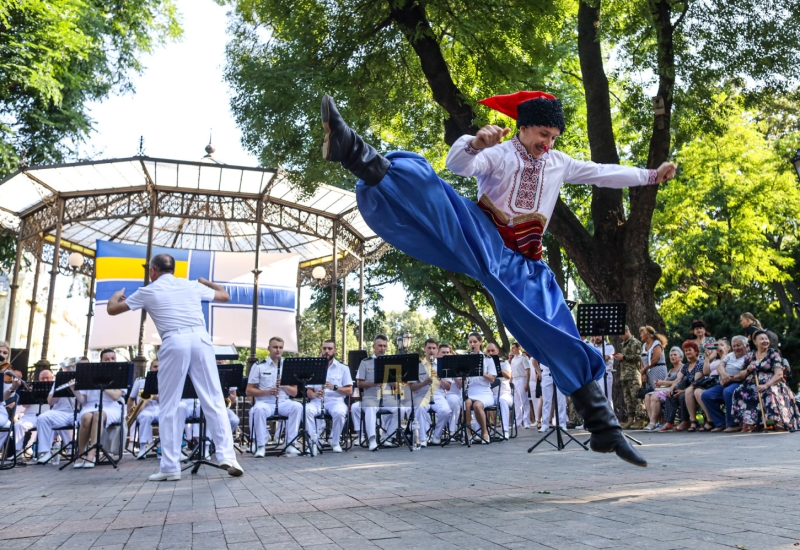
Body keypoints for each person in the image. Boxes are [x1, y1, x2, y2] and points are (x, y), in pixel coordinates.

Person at [320, 92, 676, 465]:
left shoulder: (558, 163)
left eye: (553, 136)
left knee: (561, 333)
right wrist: (475, 144)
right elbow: (457, 165)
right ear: (522, 128)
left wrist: (651, 175)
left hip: (527, 268)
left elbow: (603, 173)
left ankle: (605, 430)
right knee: (436, 194)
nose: (547, 143)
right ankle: (353, 150)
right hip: (485, 238)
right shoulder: (501, 154)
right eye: (542, 133)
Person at [107, 253, 243, 480]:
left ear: (152, 271)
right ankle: (227, 456)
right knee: (215, 399)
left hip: (174, 341)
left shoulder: (147, 291)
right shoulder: (190, 286)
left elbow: (112, 309)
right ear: (173, 269)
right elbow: (224, 295)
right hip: (201, 340)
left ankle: (170, 468)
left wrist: (117, 295)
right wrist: (205, 282)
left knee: (169, 404)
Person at [731, 330, 800, 432]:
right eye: (762, 339)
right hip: (752, 383)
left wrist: (766, 385)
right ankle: (750, 422)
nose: (765, 341)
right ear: (755, 342)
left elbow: (779, 374)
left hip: (772, 383)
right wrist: (748, 369)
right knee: (740, 391)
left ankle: (779, 421)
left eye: (766, 339)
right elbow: (741, 374)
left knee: (768, 392)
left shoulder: (773, 353)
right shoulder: (750, 355)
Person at [247, 336, 303, 457]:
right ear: (269, 348)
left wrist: (284, 385)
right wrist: (267, 392)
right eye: (275, 347)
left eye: (280, 347)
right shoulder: (259, 366)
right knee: (258, 409)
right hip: (265, 402)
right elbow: (249, 390)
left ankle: (290, 444)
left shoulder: (289, 366)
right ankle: (261, 446)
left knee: (297, 406)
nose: (278, 350)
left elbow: (294, 392)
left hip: (283, 402)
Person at [351, 335, 406, 451]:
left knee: (402, 409)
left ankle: (388, 437)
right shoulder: (365, 362)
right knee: (370, 408)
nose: (382, 348)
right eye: (380, 346)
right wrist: (372, 384)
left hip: (387, 397)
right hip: (370, 397)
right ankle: (372, 439)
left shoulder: (391, 362)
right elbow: (359, 383)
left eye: (384, 346)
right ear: (373, 346)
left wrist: (391, 380)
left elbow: (398, 386)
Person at [70, 349, 124, 468]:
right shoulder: (90, 374)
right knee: (86, 417)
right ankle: (80, 454)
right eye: (107, 359)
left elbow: (115, 396)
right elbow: (83, 401)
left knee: (98, 415)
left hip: (111, 407)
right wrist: (74, 390)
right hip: (90, 406)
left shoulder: (121, 375)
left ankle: (91, 454)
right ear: (101, 361)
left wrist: (101, 386)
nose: (110, 361)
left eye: (113, 358)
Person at [305, 340, 353, 454]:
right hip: (317, 401)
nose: (327, 351)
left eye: (329, 349)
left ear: (334, 350)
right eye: (324, 348)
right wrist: (314, 395)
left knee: (340, 412)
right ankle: (313, 442)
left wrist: (335, 387)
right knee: (307, 410)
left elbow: (349, 391)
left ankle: (334, 441)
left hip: (335, 401)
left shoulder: (343, 368)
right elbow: (309, 392)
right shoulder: (314, 368)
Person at [35, 359, 83, 463]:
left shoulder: (84, 379)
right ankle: (46, 451)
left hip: (79, 411)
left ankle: (83, 451)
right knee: (42, 418)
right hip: (60, 412)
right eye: (69, 368)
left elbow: (84, 401)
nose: (70, 370)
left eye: (73, 367)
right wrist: (59, 388)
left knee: (88, 419)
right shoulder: (59, 380)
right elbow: (50, 402)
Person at [700, 336, 749, 432]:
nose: (736, 348)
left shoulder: (749, 357)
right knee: (706, 395)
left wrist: (729, 378)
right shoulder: (730, 355)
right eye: (734, 346)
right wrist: (724, 375)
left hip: (739, 383)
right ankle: (721, 422)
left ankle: (733, 424)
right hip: (725, 381)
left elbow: (744, 375)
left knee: (728, 392)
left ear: (746, 346)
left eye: (738, 345)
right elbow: (720, 366)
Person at [408, 338, 451, 446]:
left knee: (446, 411)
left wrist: (438, 377)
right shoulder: (417, 366)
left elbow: (448, 387)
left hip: (438, 395)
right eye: (429, 348)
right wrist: (423, 383)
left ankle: (436, 436)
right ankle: (422, 439)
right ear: (424, 349)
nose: (431, 351)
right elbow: (412, 387)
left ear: (437, 350)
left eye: (434, 348)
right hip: (422, 394)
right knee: (420, 408)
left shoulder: (443, 365)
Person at [659, 341, 704, 432]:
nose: (687, 352)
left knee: (682, 396)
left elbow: (696, 382)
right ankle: (668, 422)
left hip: (696, 389)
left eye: (689, 350)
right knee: (671, 394)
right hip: (687, 389)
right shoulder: (686, 366)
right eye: (686, 350)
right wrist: (672, 387)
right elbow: (678, 378)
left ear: (696, 351)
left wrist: (682, 391)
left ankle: (685, 421)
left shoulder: (699, 363)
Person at [460, 333, 497, 444]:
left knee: (477, 405)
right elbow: (461, 377)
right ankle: (468, 433)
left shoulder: (488, 359)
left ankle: (484, 433)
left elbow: (492, 379)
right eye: (470, 342)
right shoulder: (465, 359)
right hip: (470, 390)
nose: (472, 344)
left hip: (484, 392)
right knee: (466, 404)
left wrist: (481, 373)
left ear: (480, 342)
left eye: (475, 342)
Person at [643, 347, 684, 431]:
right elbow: (663, 383)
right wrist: (659, 384)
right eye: (671, 355)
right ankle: (652, 422)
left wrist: (663, 383)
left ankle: (653, 423)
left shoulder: (682, 368)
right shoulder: (670, 370)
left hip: (674, 390)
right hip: (665, 390)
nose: (672, 357)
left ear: (681, 357)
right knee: (647, 396)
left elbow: (680, 382)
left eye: (675, 355)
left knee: (654, 396)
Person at [132, 359, 165, 459]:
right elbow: (131, 398)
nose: (157, 369)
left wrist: (154, 397)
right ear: (150, 368)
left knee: (166, 417)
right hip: (145, 409)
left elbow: (170, 399)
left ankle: (162, 448)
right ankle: (142, 447)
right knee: (145, 416)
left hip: (161, 408)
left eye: (159, 367)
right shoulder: (140, 381)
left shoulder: (166, 382)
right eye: (155, 367)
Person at [613, 327, 643, 430]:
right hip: (624, 374)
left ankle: (640, 419)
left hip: (633, 374)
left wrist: (624, 357)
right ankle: (631, 418)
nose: (620, 337)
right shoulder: (624, 344)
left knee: (636, 397)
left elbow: (639, 357)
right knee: (628, 398)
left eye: (621, 334)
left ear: (626, 331)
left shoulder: (635, 342)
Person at [486, 342, 513, 439]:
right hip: (490, 395)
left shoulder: (504, 362)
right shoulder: (485, 363)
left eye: (493, 350)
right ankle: (481, 432)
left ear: (497, 351)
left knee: (502, 400)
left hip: (505, 394)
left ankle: (505, 430)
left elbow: (509, 376)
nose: (490, 353)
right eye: (488, 351)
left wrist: (498, 367)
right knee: (478, 402)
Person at [508, 343, 532, 429]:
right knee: (516, 402)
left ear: (519, 348)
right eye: (512, 348)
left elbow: (527, 371)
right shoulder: (513, 359)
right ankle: (518, 422)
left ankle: (527, 422)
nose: (512, 349)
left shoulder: (523, 358)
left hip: (522, 379)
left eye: (514, 348)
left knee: (524, 401)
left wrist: (527, 383)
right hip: (515, 380)